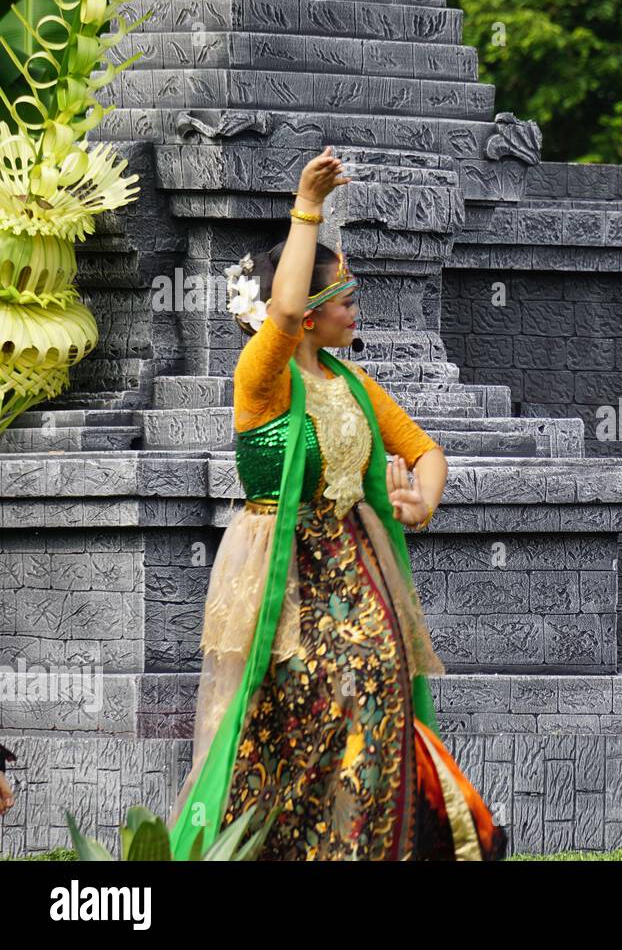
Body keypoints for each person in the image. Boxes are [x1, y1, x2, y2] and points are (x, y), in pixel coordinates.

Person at [167, 147, 506, 860]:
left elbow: (424, 451)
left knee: (378, 682)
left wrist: (422, 504)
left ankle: (365, 846)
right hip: (281, 574)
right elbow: (281, 309)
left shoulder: (351, 384)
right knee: (307, 704)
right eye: (346, 300)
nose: (357, 311)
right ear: (314, 316)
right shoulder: (264, 378)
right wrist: (306, 206)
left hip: (353, 565)